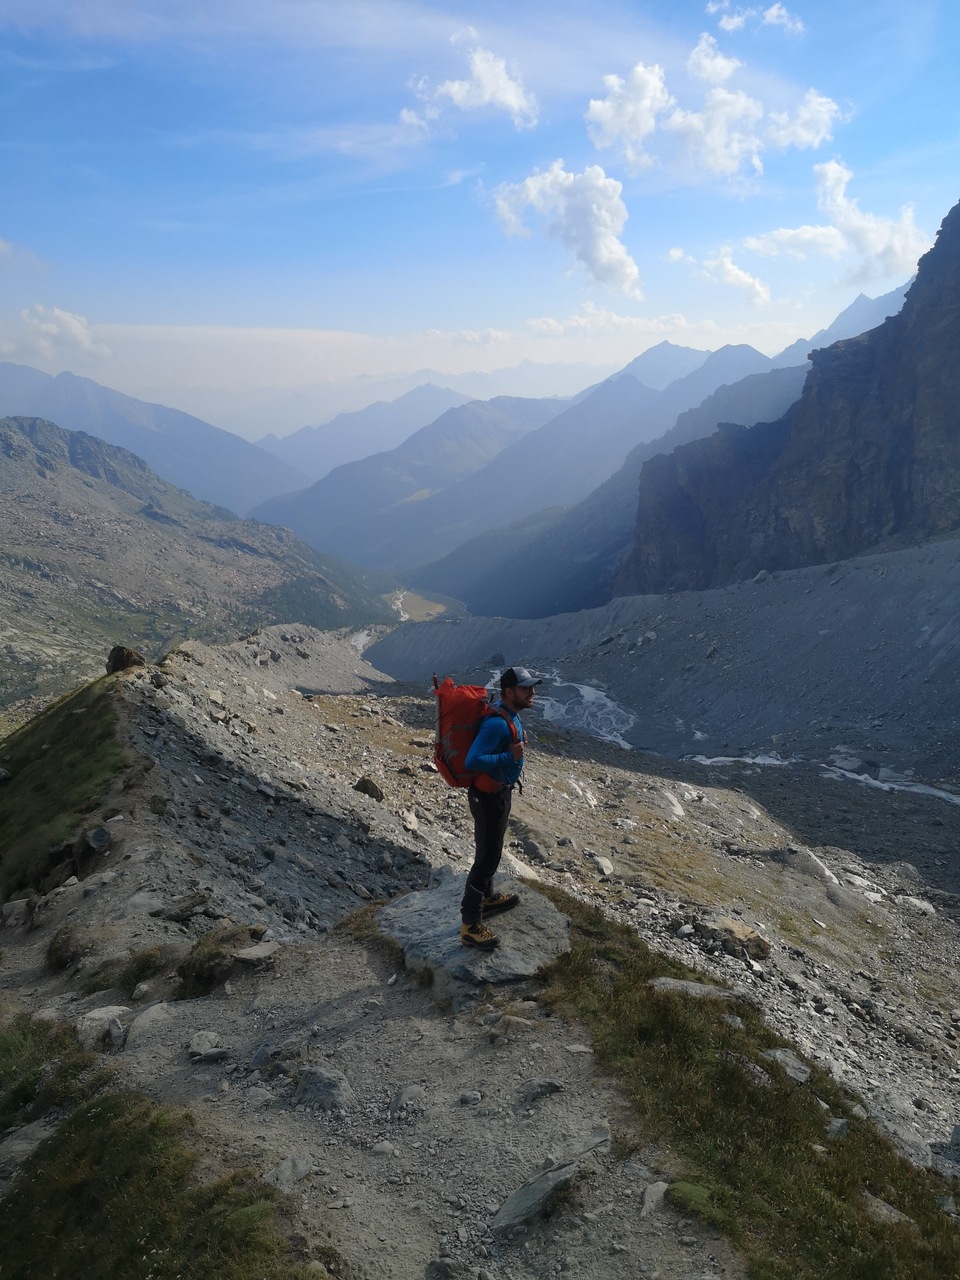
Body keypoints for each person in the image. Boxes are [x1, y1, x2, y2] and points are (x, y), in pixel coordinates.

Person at [459, 665, 541, 950]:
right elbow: (472, 761)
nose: (533, 692)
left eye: (533, 687)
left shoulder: (509, 715)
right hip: (488, 798)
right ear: (508, 692)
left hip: (497, 795)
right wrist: (509, 755)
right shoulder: (496, 723)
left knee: (491, 851)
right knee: (486, 860)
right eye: (526, 688)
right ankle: (470, 924)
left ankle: (487, 898)